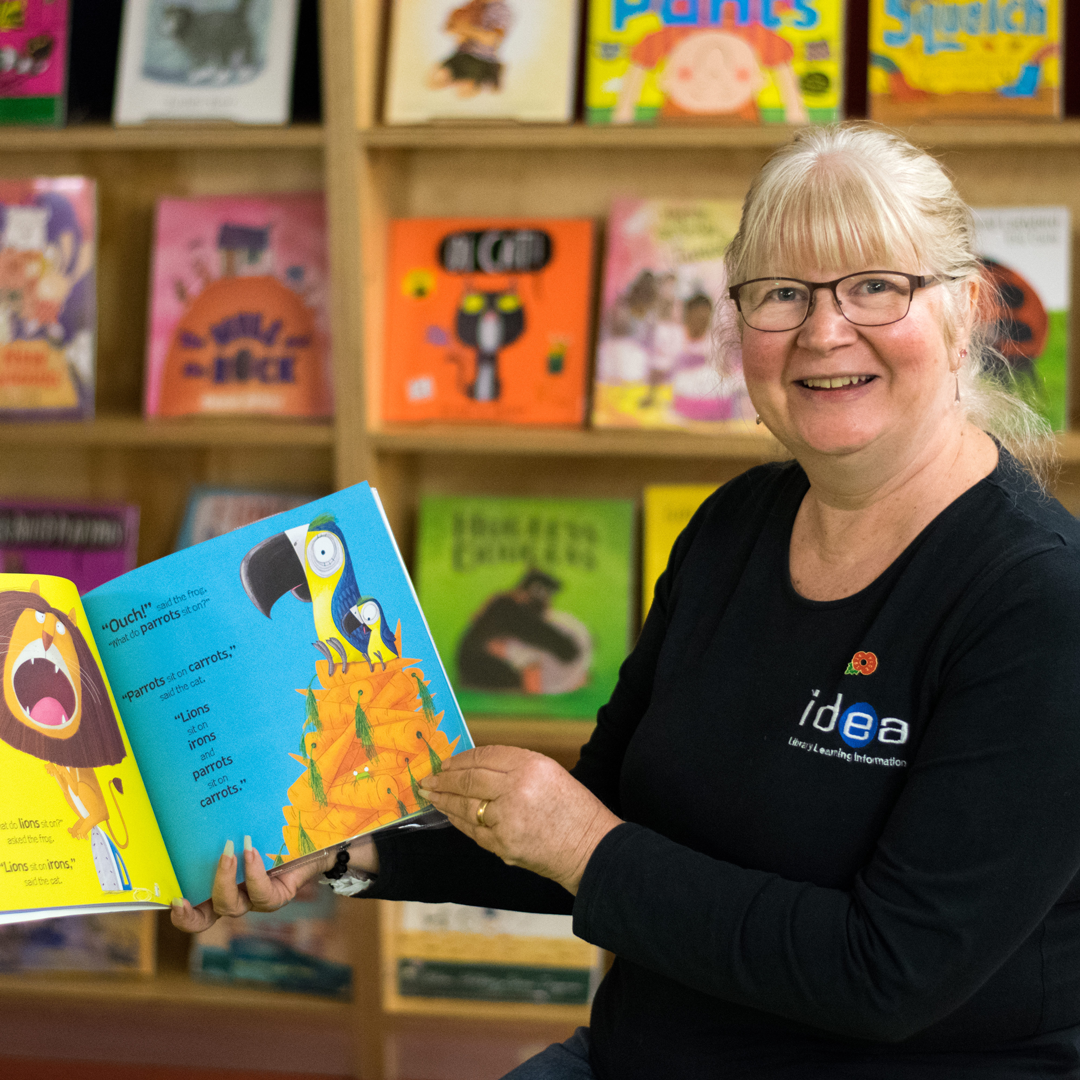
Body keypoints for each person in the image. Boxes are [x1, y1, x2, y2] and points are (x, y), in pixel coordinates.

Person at [173, 124, 1080, 1079]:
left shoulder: (1040, 601)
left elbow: (890, 973)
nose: (823, 331)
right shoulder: (734, 525)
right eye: (781, 294)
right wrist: (348, 852)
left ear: (965, 308)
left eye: (876, 287)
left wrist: (582, 844)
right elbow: (605, 809)